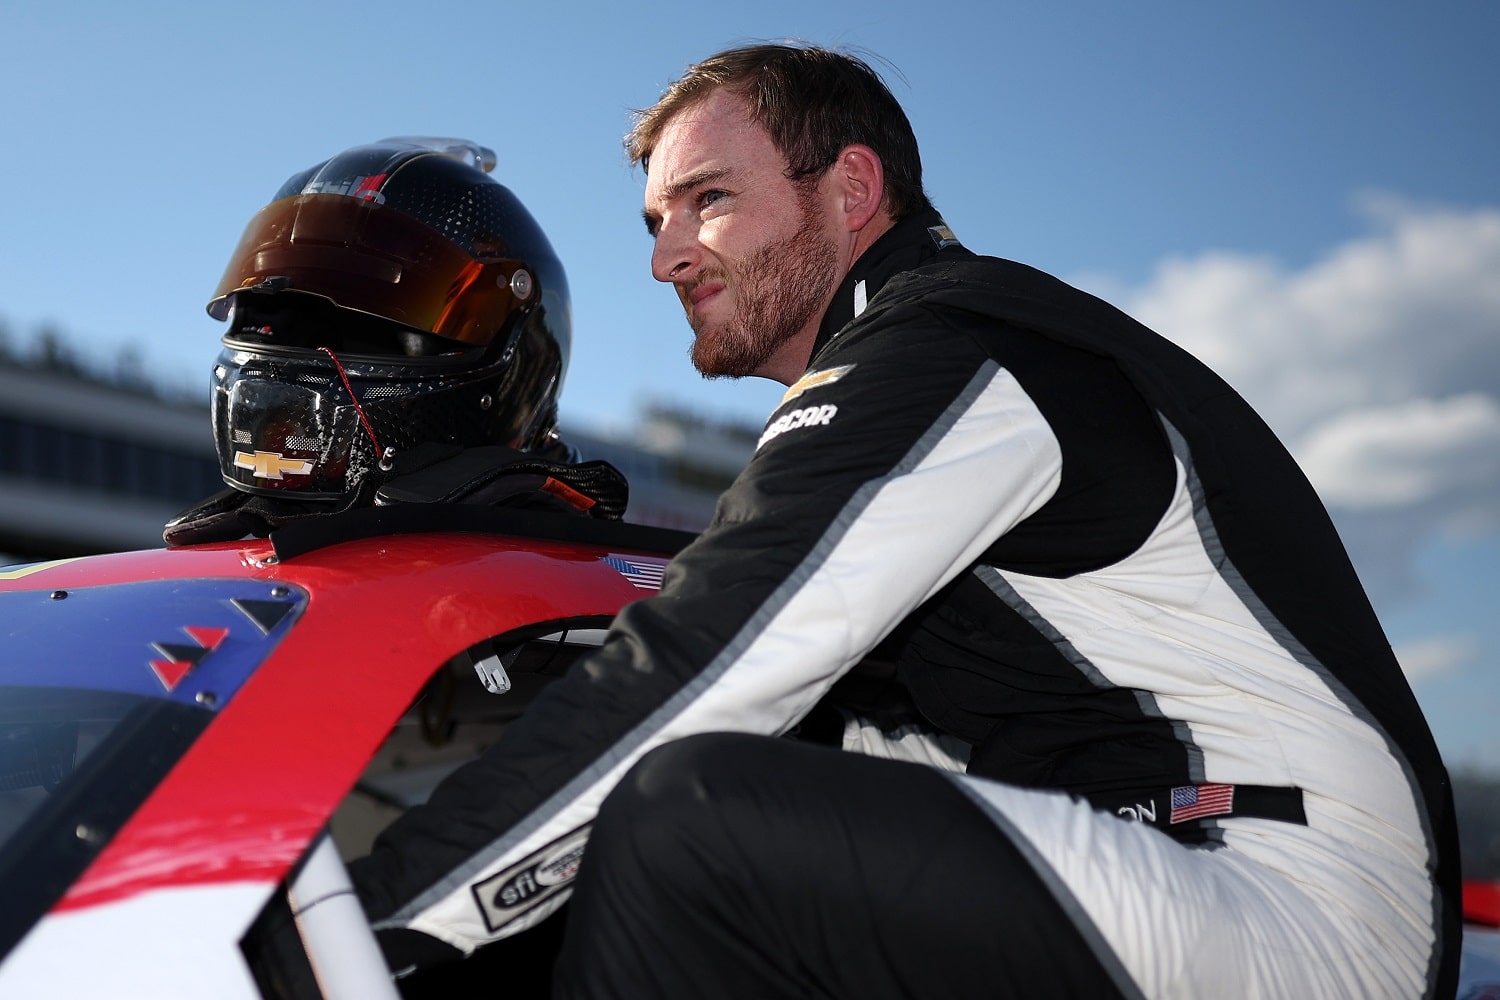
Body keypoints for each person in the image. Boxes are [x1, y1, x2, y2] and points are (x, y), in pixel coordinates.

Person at [349, 45, 1462, 998]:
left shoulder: (954, 346)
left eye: (709, 199)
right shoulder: (926, 362)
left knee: (688, 808)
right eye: (655, 221)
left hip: (1288, 896)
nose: (664, 256)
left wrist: (361, 938)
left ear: (851, 188)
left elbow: (700, 666)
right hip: (1156, 850)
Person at [164, 136, 625, 545]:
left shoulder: (550, 583)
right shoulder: (223, 555)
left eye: (370, 324)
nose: (290, 352)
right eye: (282, 320)